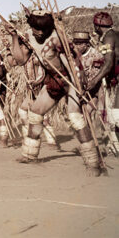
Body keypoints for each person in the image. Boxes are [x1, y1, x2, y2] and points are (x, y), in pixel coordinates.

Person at [7, 10, 102, 176]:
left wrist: (78, 87)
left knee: (75, 117)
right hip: (53, 80)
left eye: (41, 30)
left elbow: (73, 64)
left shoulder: (57, 38)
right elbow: (20, 60)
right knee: (35, 112)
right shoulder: (29, 35)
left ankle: (93, 163)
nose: (38, 33)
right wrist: (14, 37)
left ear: (48, 28)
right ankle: (30, 154)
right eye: (35, 29)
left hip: (70, 79)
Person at [86, 12, 119, 153]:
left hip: (116, 81)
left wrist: (95, 80)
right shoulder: (111, 36)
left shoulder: (109, 38)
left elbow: (109, 62)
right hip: (114, 80)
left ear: (98, 26)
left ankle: (115, 147)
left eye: (95, 25)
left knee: (115, 116)